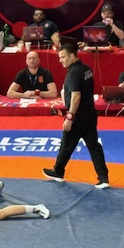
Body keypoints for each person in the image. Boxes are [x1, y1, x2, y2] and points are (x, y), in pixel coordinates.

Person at [43, 43, 110, 189]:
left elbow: (76, 96)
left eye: (63, 57)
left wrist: (70, 117)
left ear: (72, 56)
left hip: (78, 115)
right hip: (90, 113)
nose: (60, 60)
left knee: (67, 144)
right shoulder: (86, 69)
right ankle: (103, 177)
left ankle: (58, 171)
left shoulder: (73, 73)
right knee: (93, 145)